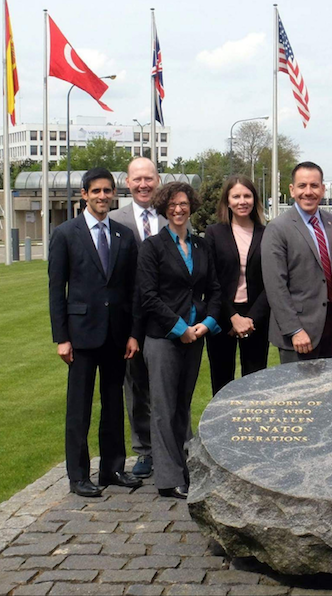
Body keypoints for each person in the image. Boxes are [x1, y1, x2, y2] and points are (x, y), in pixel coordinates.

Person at [48, 167, 144, 497]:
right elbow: (55, 289)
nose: (102, 196)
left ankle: (113, 468)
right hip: (81, 335)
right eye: (96, 191)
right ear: (84, 195)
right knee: (79, 408)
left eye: (107, 191)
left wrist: (133, 333)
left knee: (114, 403)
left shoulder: (123, 235)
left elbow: (132, 289)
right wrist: (61, 337)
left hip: (117, 335)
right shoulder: (66, 234)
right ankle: (78, 475)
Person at [136, 182, 221, 499]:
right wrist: (179, 327)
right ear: (163, 208)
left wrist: (206, 324)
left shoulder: (200, 246)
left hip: (195, 336)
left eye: (184, 203)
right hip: (163, 338)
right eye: (172, 204)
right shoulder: (152, 247)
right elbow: (148, 297)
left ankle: (186, 470)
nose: (179, 209)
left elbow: (214, 290)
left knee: (182, 407)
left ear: (191, 205)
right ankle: (169, 479)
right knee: (163, 408)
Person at [109, 157, 167, 480]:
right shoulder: (115, 219)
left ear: (157, 180)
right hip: (130, 319)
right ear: (127, 183)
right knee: (136, 386)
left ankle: (172, 446)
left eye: (149, 178)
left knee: (169, 385)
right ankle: (144, 449)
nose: (144, 184)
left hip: (166, 317)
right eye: (137, 179)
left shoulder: (172, 214)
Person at [262, 162, 332, 363]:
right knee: (300, 394)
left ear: (323, 189)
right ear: (292, 189)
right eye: (302, 185)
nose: (308, 192)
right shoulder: (278, 229)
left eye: (314, 186)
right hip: (298, 335)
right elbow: (275, 286)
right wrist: (294, 330)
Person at [205, 177, 270, 394]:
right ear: (227, 201)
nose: (242, 201)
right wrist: (232, 317)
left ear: (254, 199)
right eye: (236, 196)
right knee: (221, 382)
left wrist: (250, 319)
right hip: (222, 315)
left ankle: (252, 428)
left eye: (247, 196)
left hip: (256, 318)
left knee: (255, 383)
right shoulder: (214, 233)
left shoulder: (267, 233)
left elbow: (272, 281)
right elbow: (211, 279)